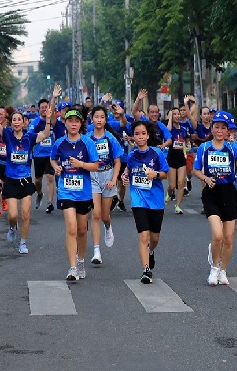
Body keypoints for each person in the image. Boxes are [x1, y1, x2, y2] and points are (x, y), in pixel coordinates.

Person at [0, 88, 58, 254]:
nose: (17, 122)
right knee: (13, 216)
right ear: (12, 122)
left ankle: (23, 242)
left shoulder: (29, 137)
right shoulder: (7, 134)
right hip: (10, 181)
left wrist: (48, 119)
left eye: (20, 120)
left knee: (25, 214)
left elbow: (45, 134)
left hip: (25, 182)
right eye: (14, 119)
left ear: (24, 123)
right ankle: (12, 228)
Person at [193, 112, 237, 285]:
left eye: (223, 128)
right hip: (211, 194)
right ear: (212, 128)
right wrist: (205, 178)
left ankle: (223, 269)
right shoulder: (204, 148)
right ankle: (214, 268)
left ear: (228, 131)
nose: (219, 131)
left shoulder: (232, 147)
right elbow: (195, 170)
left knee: (228, 238)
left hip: (229, 194)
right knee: (218, 235)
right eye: (217, 127)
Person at [50, 107, 100, 281]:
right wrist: (56, 167)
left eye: (76, 121)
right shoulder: (59, 143)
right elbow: (53, 158)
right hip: (66, 191)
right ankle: (72, 267)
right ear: (65, 123)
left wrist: (81, 164)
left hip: (84, 192)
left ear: (81, 124)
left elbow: (95, 165)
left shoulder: (87, 143)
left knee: (81, 230)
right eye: (70, 121)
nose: (73, 124)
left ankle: (80, 261)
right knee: (71, 228)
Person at [121, 120, 170, 284]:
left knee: (154, 238)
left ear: (148, 136)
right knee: (143, 235)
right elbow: (128, 170)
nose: (140, 137)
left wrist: (155, 174)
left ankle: (151, 251)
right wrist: (124, 176)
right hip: (138, 200)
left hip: (156, 201)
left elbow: (165, 174)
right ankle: (146, 270)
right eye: (136, 134)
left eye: (143, 133)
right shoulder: (132, 155)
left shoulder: (156, 153)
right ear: (133, 137)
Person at [86, 106, 122, 266]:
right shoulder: (87, 138)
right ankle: (96, 251)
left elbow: (117, 161)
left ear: (105, 120)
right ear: (91, 119)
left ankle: (108, 227)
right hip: (93, 177)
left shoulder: (110, 138)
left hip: (108, 176)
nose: (99, 120)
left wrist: (114, 179)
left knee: (105, 216)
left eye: (102, 117)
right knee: (96, 215)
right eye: (96, 117)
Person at [166, 107, 190, 214]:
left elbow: (185, 142)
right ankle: (169, 194)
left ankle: (178, 206)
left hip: (181, 157)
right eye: (174, 114)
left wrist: (186, 151)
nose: (176, 116)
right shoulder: (169, 128)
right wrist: (170, 118)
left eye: (178, 114)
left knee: (180, 183)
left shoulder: (183, 129)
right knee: (172, 185)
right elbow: (168, 131)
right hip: (171, 157)